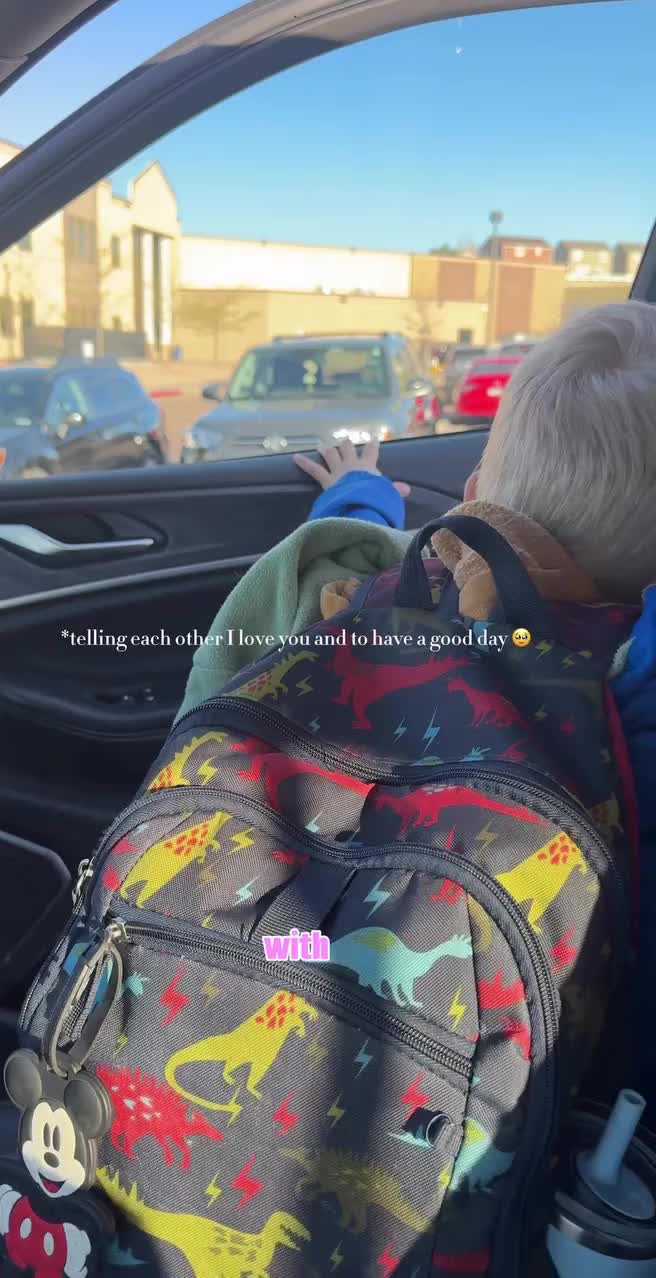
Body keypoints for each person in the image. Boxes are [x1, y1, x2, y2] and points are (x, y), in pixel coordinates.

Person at [294, 301, 656, 1101]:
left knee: (295, 948)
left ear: (472, 497)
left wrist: (357, 502)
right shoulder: (635, 705)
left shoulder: (380, 608)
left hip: (303, 948)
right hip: (555, 1100)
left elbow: (342, 572)